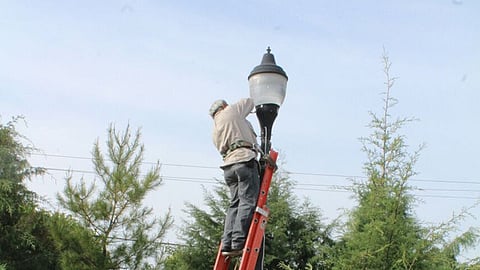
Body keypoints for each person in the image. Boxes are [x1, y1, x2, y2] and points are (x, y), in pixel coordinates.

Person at [210, 98, 260, 257]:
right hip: (244, 160)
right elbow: (250, 100)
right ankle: (238, 241)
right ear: (224, 106)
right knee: (247, 201)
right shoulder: (230, 111)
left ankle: (227, 243)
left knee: (235, 203)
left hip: (228, 167)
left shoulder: (215, 129)